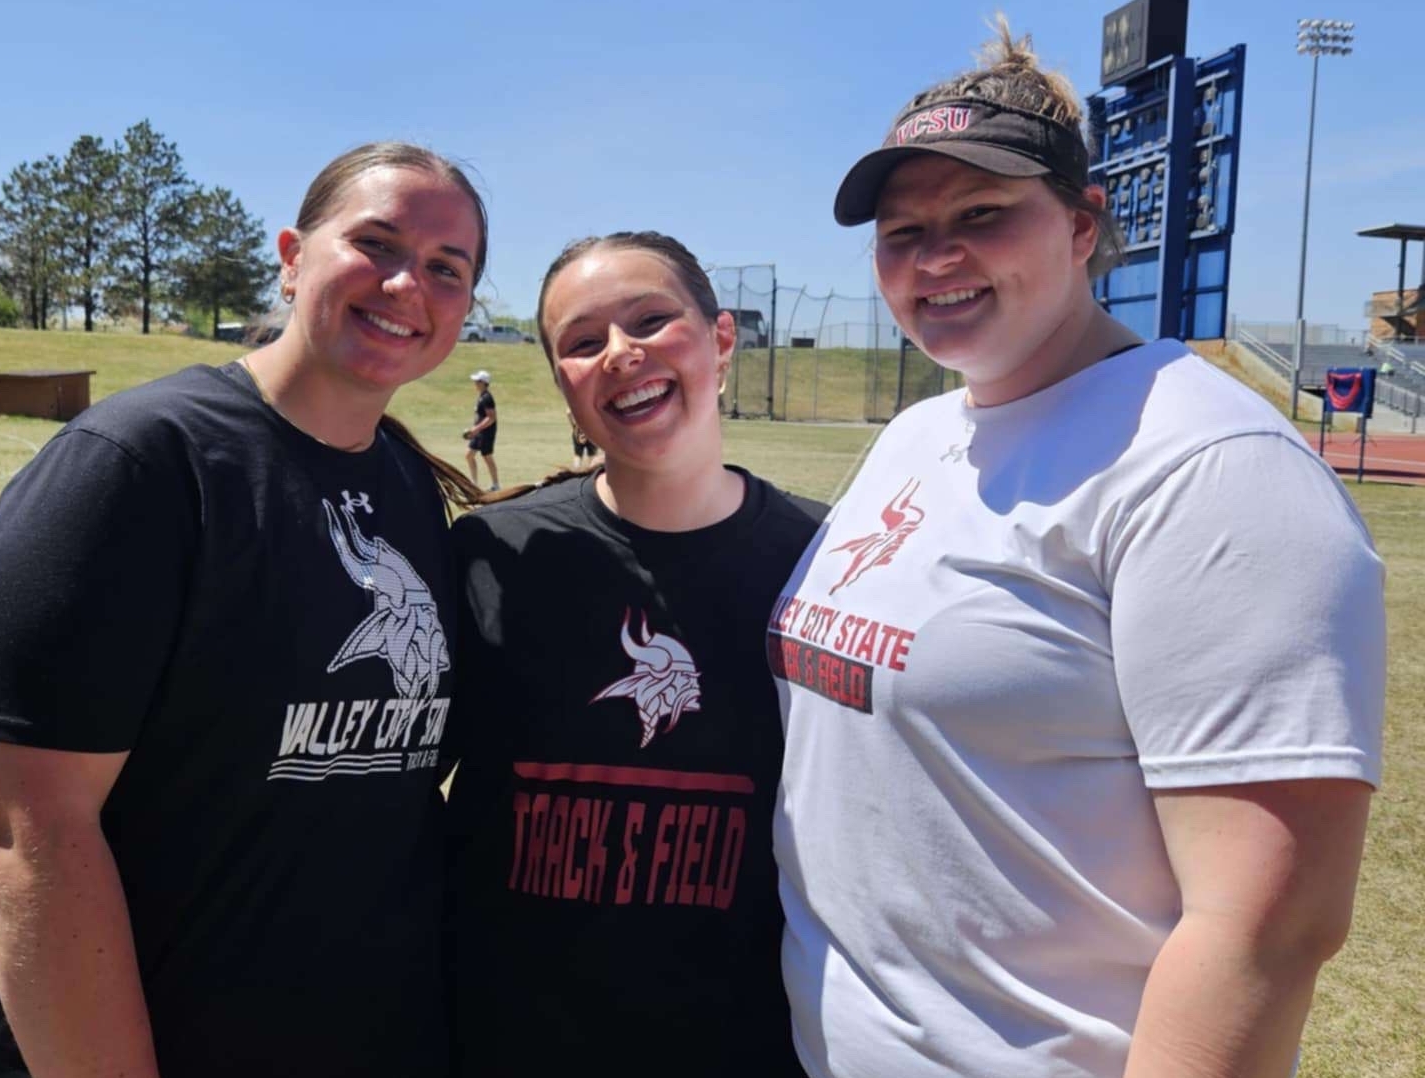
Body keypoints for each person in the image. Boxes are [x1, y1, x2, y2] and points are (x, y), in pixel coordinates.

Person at [772, 20, 1385, 1078]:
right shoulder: (923, 429)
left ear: (1084, 225)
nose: (937, 255)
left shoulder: (1208, 465)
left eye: (983, 214)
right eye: (902, 230)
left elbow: (1268, 928)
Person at [0, 141, 488, 1078]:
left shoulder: (403, 485)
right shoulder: (141, 463)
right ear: (291, 255)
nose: (409, 284)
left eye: (447, 267)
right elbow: (25, 826)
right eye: (377, 243)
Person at [444, 231, 822, 1078]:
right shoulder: (494, 555)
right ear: (562, 382)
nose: (620, 353)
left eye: (651, 320)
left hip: (743, 1044)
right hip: (512, 1040)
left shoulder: (825, 560)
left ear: (721, 341)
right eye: (582, 342)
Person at [462, 368, 499, 490]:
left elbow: (491, 418)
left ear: (484, 382)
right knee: (469, 455)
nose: (475, 383)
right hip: (479, 432)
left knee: (487, 456)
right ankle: (474, 484)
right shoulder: (482, 396)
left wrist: (476, 429)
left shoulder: (487, 398)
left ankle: (495, 485)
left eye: (477, 381)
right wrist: (474, 430)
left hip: (486, 432)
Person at [566, 405, 601, 471]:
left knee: (578, 455)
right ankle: (591, 473)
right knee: (592, 456)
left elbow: (568, 412)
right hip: (591, 432)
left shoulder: (578, 404)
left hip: (578, 432)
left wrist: (573, 425)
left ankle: (576, 471)